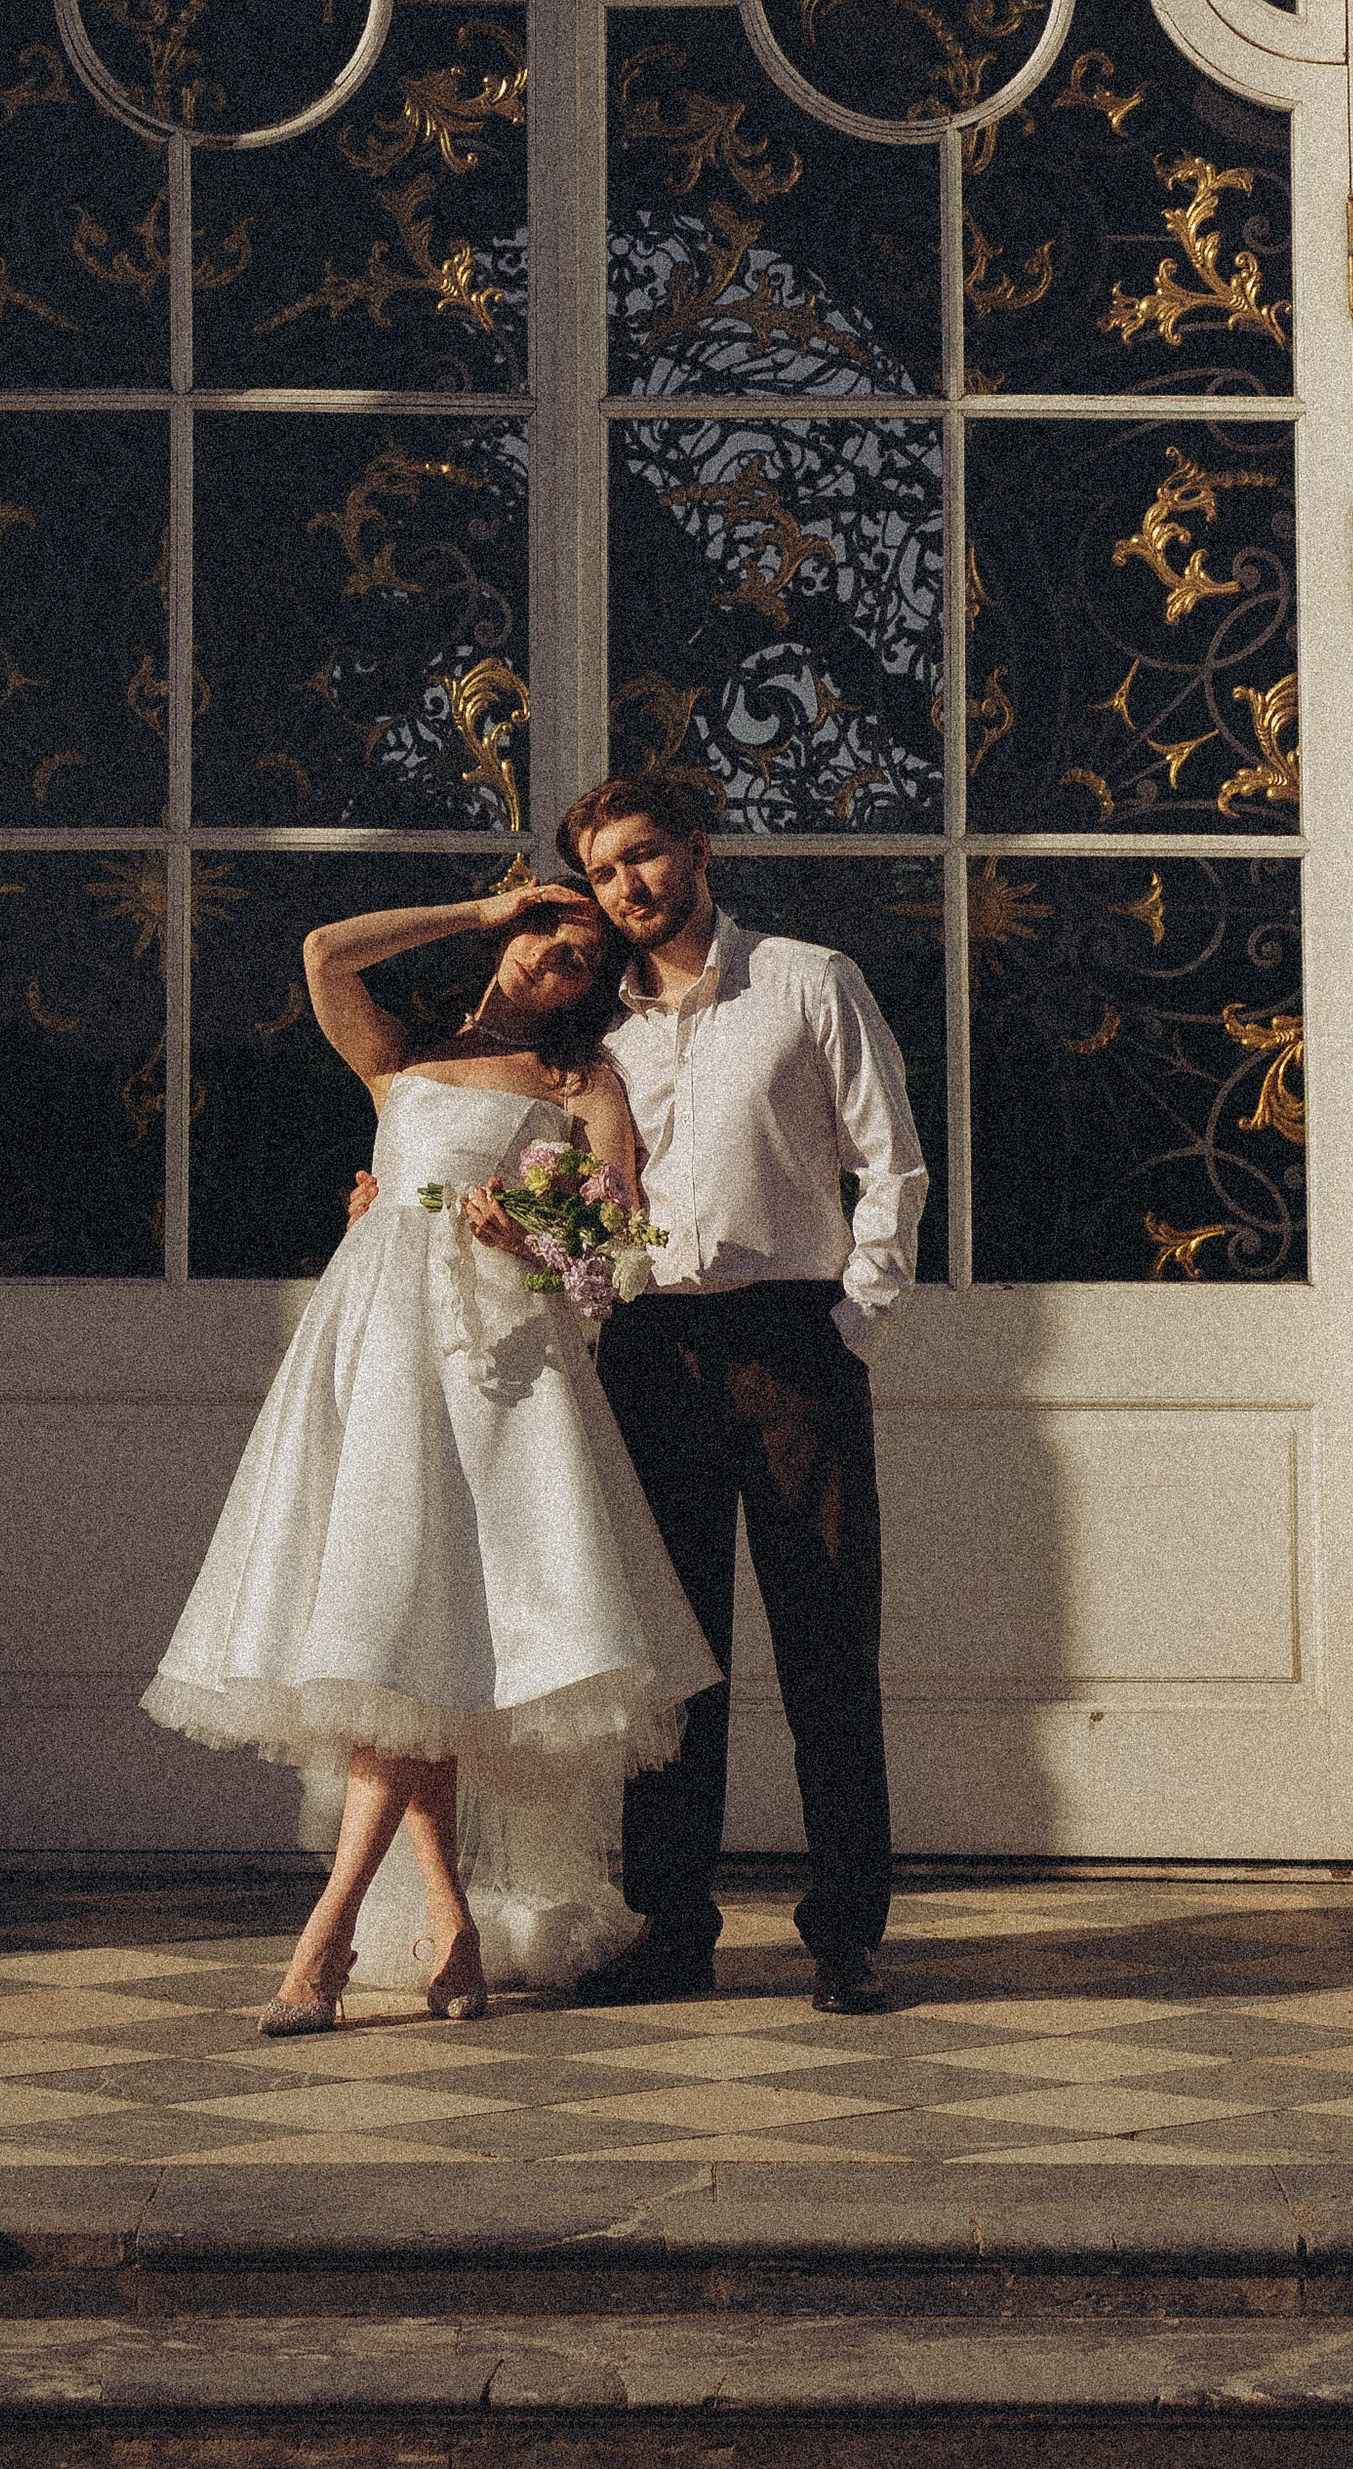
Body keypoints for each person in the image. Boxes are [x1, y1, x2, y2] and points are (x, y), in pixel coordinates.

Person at [141, 878, 718, 2036]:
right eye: (544, 935)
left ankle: (329, 1934)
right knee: (406, 1643)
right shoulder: (401, 1058)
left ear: (595, 988)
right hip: (374, 1357)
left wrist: (538, 1239)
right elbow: (320, 943)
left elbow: (624, 1260)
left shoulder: (579, 1082)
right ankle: (450, 1929)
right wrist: (479, 906)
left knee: (415, 1643)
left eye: (581, 956)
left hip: (500, 1370)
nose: (555, 959)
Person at [556, 771, 929, 2017]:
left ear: (697, 850)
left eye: (646, 857)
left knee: (827, 1645)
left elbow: (891, 1161)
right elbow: (552, 1185)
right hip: (647, 1353)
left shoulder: (808, 980)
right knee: (675, 1664)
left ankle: (845, 1935)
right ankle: (671, 1931)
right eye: (606, 872)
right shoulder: (589, 1030)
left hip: (790, 1344)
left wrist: (852, 1323)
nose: (630, 888)